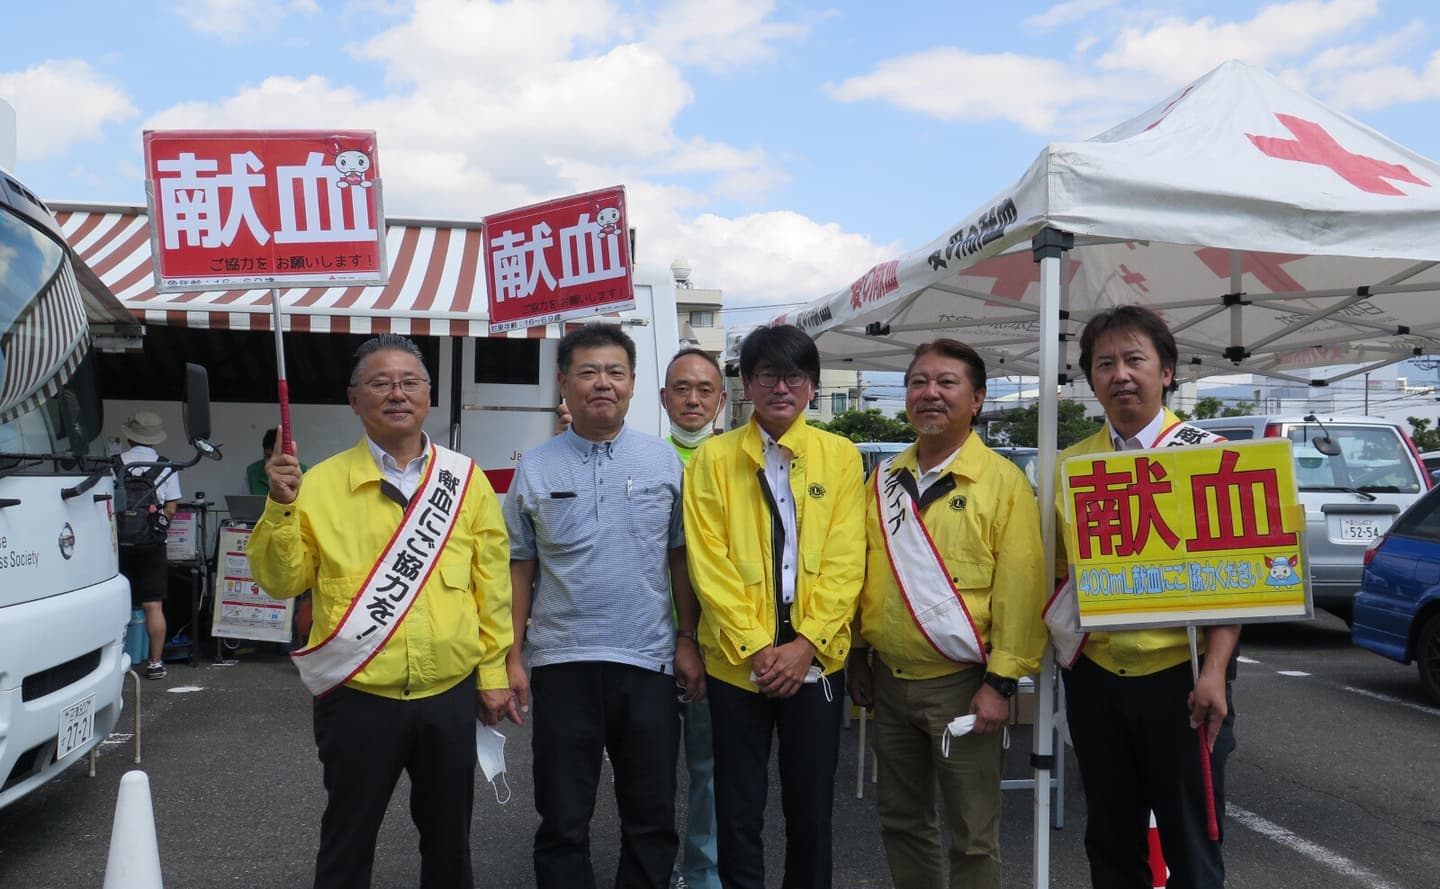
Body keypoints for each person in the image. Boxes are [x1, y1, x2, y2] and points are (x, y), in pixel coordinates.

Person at [248, 333, 515, 889]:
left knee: (449, 844)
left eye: (410, 382)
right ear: (354, 399)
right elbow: (280, 581)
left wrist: (493, 675)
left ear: (429, 395)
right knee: (347, 842)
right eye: (380, 383)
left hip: (448, 693)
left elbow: (491, 586)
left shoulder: (464, 479)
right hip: (357, 696)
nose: (397, 393)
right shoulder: (317, 484)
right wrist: (280, 507)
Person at [504, 324, 705, 889]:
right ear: (563, 383)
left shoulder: (665, 463)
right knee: (562, 815)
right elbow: (520, 565)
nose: (603, 383)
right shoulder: (535, 466)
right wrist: (512, 655)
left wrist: (687, 640)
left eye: (615, 372)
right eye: (588, 372)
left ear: (633, 383)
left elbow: (680, 558)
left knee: (651, 814)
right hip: (561, 661)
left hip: (649, 661)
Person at [847, 339, 1045, 889]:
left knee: (973, 833)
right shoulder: (882, 479)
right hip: (888, 682)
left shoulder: (1003, 483)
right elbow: (862, 572)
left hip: (964, 685)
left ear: (977, 399)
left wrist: (1001, 684)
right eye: (918, 382)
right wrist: (858, 654)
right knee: (901, 820)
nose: (929, 393)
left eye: (946, 382)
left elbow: (1022, 590)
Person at [1053, 305, 1239, 889]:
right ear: (1091, 380)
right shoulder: (1070, 465)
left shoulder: (1209, 454)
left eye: (1135, 359)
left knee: (1193, 845)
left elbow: (1238, 581)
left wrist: (1215, 673)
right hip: (1096, 678)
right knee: (1110, 841)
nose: (1121, 375)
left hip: (1182, 678)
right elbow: (1057, 574)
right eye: (1104, 364)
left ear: (1167, 371)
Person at [682, 324, 865, 889]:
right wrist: (759, 648)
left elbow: (846, 560)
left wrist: (807, 643)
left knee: (811, 809)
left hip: (818, 659)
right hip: (738, 663)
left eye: (794, 376)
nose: (780, 387)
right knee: (737, 806)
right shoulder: (712, 459)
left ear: (812, 386)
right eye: (767, 375)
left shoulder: (840, 456)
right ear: (746, 384)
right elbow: (708, 563)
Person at [659, 348, 729, 889]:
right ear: (664, 398)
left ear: (722, 400)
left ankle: (704, 872)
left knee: (710, 766)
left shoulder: (737, 462)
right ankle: (653, 865)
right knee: (651, 767)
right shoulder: (644, 459)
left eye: (705, 390)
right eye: (681, 388)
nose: (693, 399)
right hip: (649, 636)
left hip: (718, 639)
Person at [118, 410, 182, 680]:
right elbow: (172, 508)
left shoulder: (115, 464)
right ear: (155, 439)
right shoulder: (166, 466)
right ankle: (155, 663)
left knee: (117, 605)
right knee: (153, 605)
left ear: (130, 437)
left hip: (119, 544)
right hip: (152, 544)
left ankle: (115, 662)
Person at [246, 427, 310, 495]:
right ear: (264, 452)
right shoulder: (251, 472)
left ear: (286, 454)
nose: (272, 462)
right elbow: (244, 501)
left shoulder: (304, 472)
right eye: (268, 456)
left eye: (277, 457)